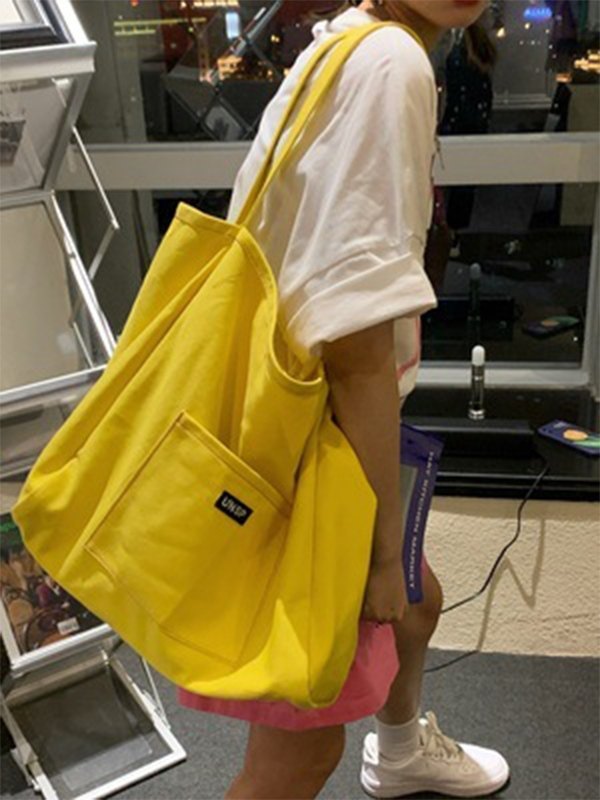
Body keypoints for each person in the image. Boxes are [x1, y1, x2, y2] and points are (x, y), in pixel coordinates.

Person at [178, 2, 511, 797]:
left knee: (417, 603)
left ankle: (397, 751)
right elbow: (358, 348)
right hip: (317, 451)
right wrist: (377, 555)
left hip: (307, 425)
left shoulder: (341, 43)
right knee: (298, 754)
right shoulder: (392, 64)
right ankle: (391, 749)